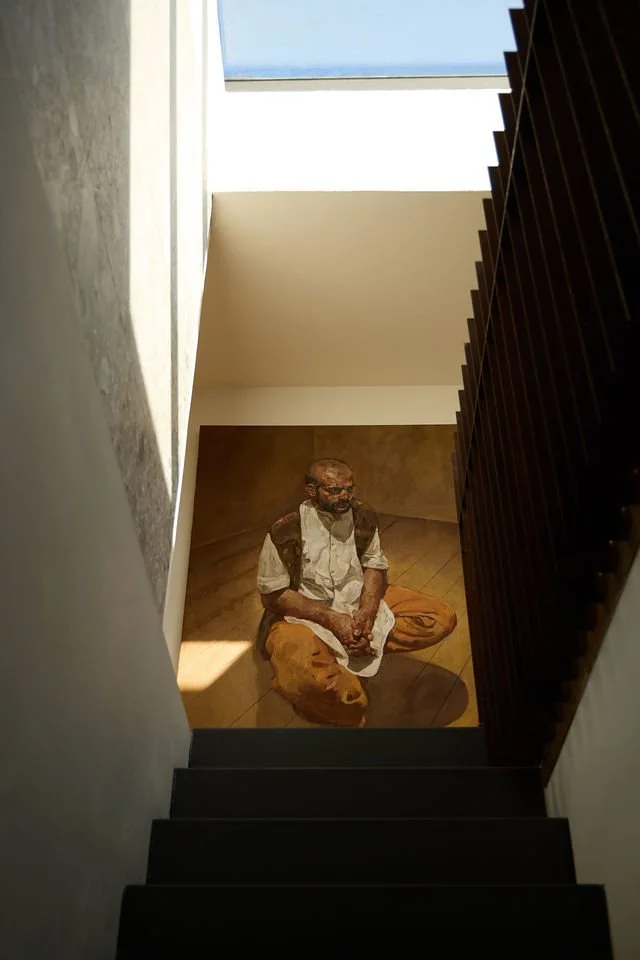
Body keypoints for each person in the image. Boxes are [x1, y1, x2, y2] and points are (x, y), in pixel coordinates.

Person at [256, 458, 457, 726]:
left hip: (357, 601)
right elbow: (274, 595)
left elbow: (374, 565)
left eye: (349, 489)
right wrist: (332, 620)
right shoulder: (285, 531)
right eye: (334, 490)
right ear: (311, 491)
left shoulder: (363, 516)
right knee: (337, 694)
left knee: (439, 617)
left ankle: (354, 645)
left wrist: (367, 612)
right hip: (302, 616)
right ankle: (336, 667)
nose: (345, 496)